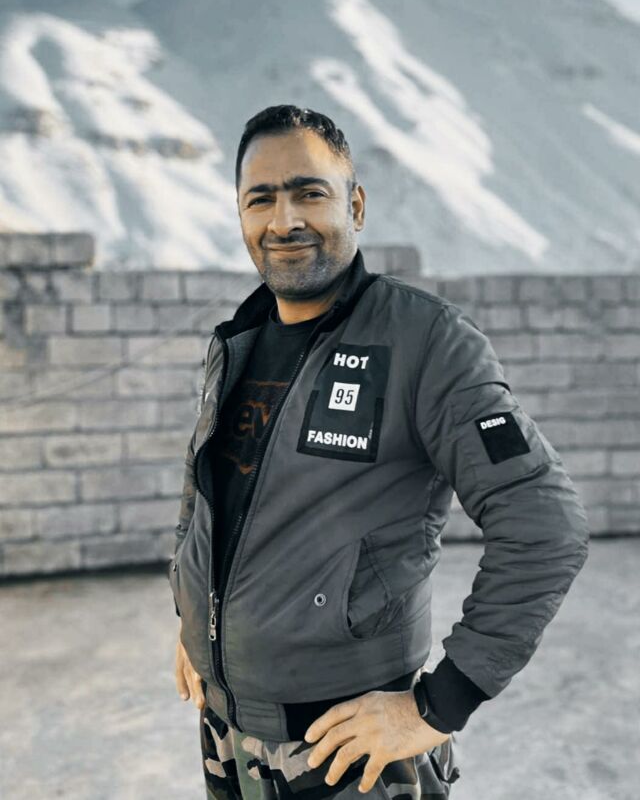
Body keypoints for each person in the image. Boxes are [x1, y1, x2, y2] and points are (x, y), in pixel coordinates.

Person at [169, 105, 590, 799]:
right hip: (225, 733)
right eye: (260, 199)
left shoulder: (427, 342)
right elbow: (206, 494)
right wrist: (193, 618)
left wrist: (439, 705)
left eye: (309, 192)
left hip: (350, 751)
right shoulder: (238, 340)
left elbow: (547, 524)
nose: (284, 220)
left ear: (355, 205)